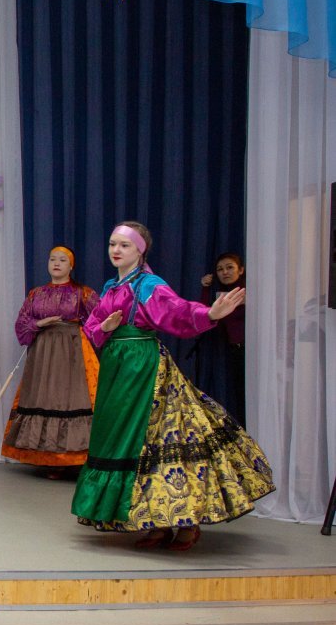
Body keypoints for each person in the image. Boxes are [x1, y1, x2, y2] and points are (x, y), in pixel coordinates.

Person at [71, 222, 274, 550]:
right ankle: (155, 523)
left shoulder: (149, 285)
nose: (116, 250)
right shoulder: (110, 286)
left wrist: (210, 313)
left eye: (124, 245)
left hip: (142, 368)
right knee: (120, 439)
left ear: (140, 250)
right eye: (112, 244)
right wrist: (104, 328)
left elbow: (177, 311)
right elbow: (93, 328)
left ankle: (185, 522)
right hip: (115, 369)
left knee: (155, 439)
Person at [1, 246, 100, 478]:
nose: (56, 263)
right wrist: (39, 324)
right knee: (45, 397)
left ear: (71, 265)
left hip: (73, 351)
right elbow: (21, 324)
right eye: (53, 259)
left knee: (71, 398)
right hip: (43, 353)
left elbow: (101, 319)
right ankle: (50, 459)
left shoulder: (82, 293)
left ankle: (76, 457)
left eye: (62, 260)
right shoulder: (36, 293)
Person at [198, 252, 246, 423]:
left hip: (252, 349)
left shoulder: (249, 290)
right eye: (220, 269)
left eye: (230, 267)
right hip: (235, 352)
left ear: (241, 270)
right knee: (241, 395)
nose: (225, 272)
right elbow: (206, 315)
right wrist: (205, 288)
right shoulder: (221, 296)